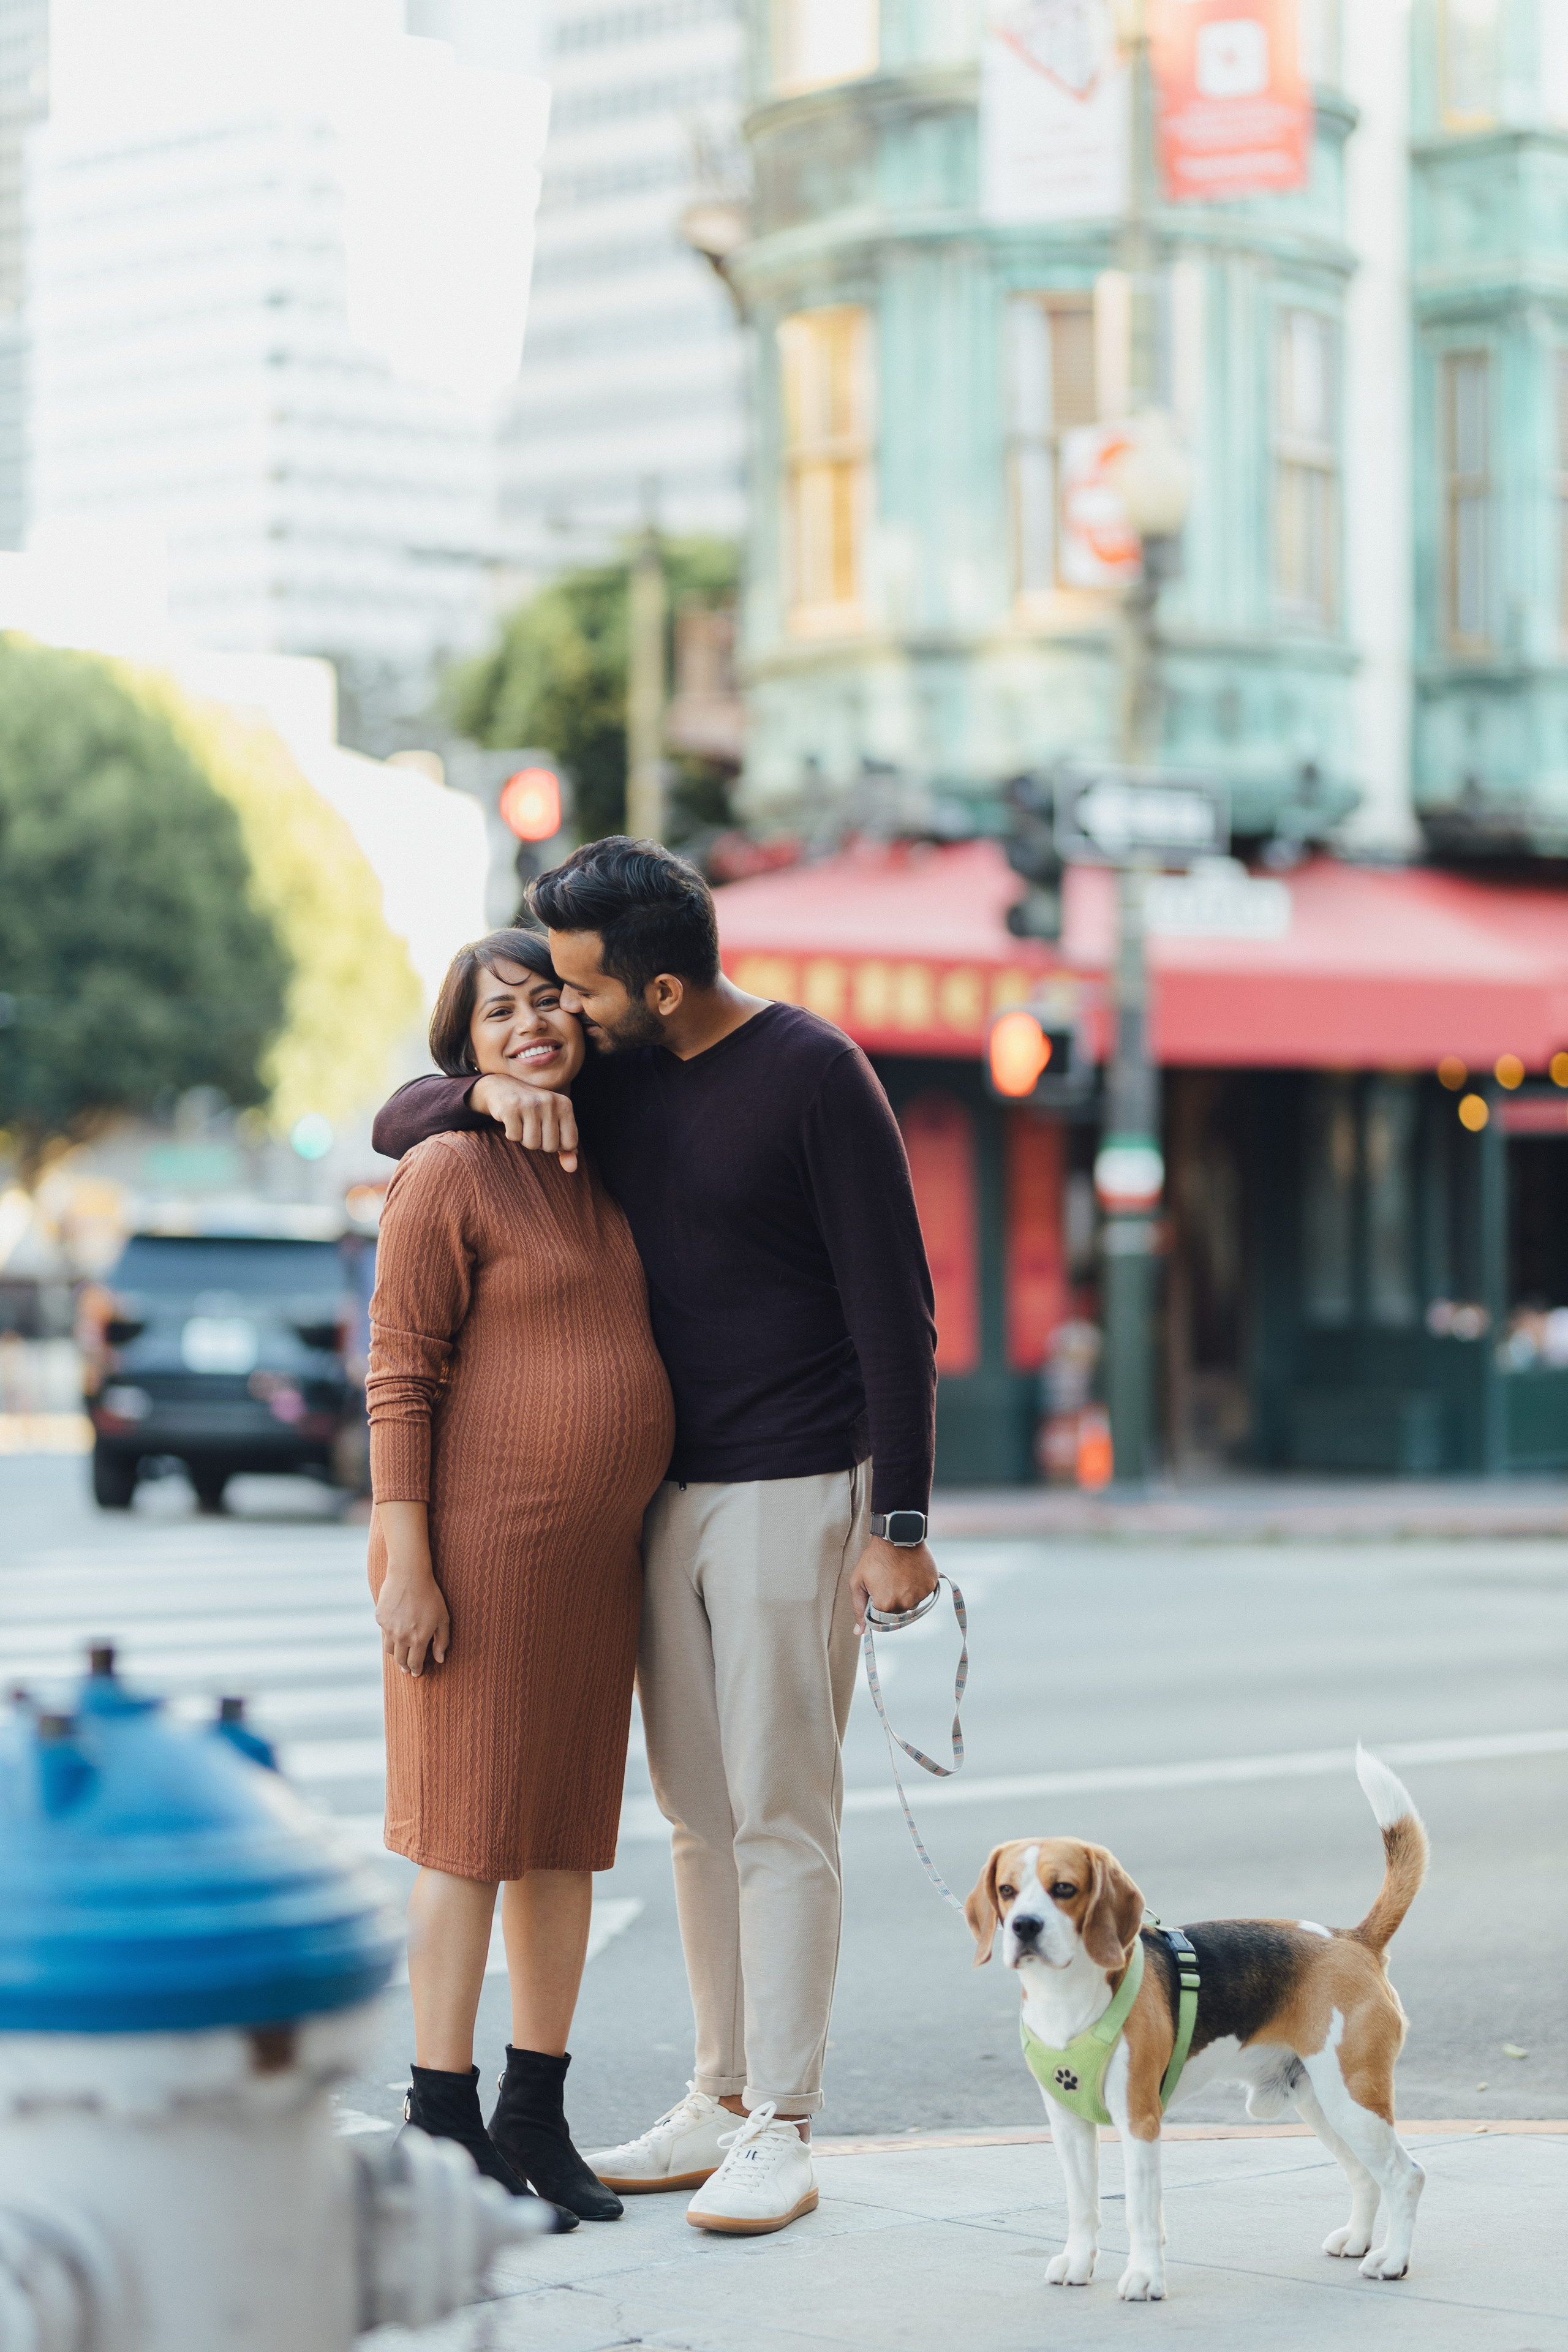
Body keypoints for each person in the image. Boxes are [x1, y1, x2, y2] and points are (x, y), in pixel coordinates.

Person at [374, 838, 938, 2238]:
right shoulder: (606, 1079)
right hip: (652, 1510)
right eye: (538, 998)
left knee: (776, 1815)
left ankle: (782, 2123)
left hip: (792, 1489)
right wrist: (477, 1084)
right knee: (693, 1819)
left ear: (661, 983)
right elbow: (404, 1119)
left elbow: (898, 1313)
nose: (559, 1014)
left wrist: (901, 1522)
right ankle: (716, 2089)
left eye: (574, 991)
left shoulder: (814, 1074)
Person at [367, 925, 674, 2226]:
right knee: (467, 1838)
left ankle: (532, 2117)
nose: (533, 1023)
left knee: (562, 1845)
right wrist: (408, 1558)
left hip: (595, 1569)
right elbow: (400, 1371)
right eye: (500, 1014)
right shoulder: (447, 1166)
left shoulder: (604, 1160)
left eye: (549, 1001)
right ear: (465, 1048)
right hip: (482, 1556)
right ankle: (439, 2117)